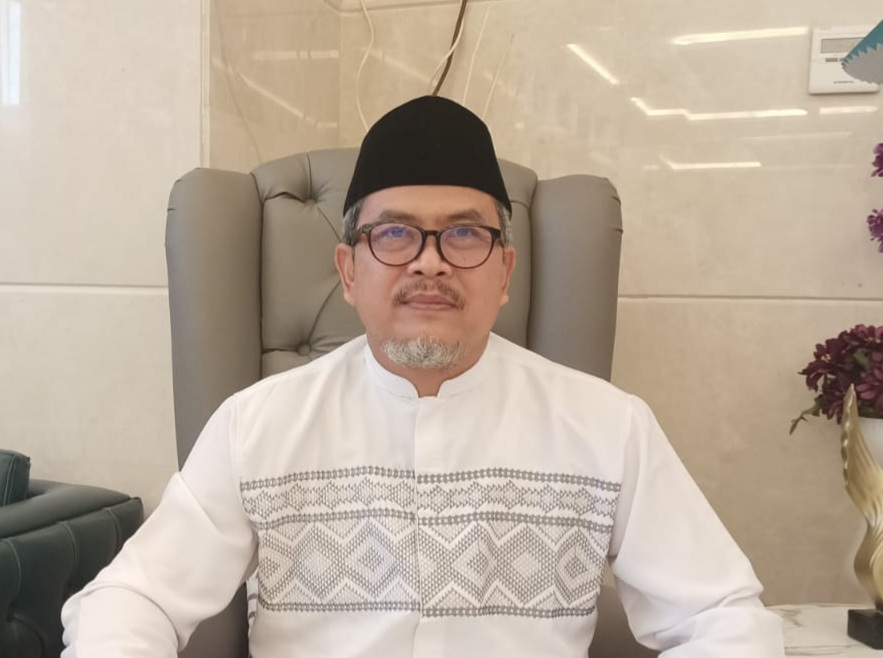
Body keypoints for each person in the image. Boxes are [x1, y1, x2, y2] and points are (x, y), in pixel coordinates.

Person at [61, 95, 784, 657]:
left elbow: (721, 618)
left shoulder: (607, 426)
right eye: (395, 233)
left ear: (504, 271)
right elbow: (133, 599)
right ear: (349, 270)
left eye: (464, 233)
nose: (429, 261)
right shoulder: (257, 425)